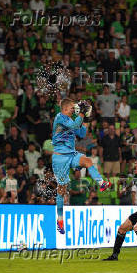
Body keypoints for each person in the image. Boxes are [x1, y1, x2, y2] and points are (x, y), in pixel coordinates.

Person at [52, 98, 110, 234]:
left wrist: (86, 119)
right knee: (62, 189)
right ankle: (59, 219)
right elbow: (73, 127)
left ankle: (101, 183)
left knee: (88, 161)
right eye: (73, 108)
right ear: (65, 109)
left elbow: (82, 134)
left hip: (71, 154)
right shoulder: (59, 117)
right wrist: (82, 114)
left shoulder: (72, 120)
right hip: (60, 158)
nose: (75, 110)